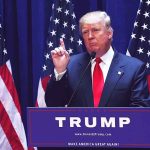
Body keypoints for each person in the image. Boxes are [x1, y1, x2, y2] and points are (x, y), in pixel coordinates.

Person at [45, 11, 150, 107]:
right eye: (85, 32)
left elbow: (140, 110)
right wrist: (60, 70)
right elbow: (53, 103)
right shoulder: (70, 64)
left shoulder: (134, 68)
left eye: (95, 30)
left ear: (109, 33)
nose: (90, 36)